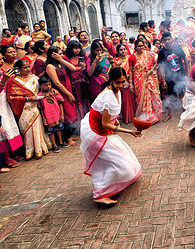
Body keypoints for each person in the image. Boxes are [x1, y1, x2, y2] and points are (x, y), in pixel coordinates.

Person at [80, 67, 142, 205]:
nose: (121, 85)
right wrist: (129, 131)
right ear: (111, 81)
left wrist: (117, 122)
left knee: (122, 159)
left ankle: (118, 182)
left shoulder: (116, 91)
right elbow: (105, 124)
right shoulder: (107, 95)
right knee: (120, 164)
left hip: (105, 131)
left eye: (123, 82)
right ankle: (100, 194)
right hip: (96, 133)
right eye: (117, 82)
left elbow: (109, 117)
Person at [7, 59, 51, 159]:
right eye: (25, 67)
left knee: (37, 127)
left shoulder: (34, 78)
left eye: (29, 67)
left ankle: (39, 149)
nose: (28, 69)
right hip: (24, 108)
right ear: (18, 69)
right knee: (27, 130)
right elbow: (11, 97)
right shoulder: (14, 81)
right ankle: (29, 150)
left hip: (35, 107)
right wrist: (27, 98)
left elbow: (41, 89)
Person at [45, 47, 78, 145]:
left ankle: (69, 135)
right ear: (53, 55)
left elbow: (73, 68)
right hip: (62, 92)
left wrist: (60, 59)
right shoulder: (50, 66)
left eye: (61, 53)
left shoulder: (60, 62)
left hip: (68, 89)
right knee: (67, 115)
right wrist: (69, 94)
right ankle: (67, 138)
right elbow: (57, 83)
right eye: (59, 53)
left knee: (72, 113)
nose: (61, 55)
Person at [129, 39, 162, 124]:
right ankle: (144, 116)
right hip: (138, 80)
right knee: (141, 98)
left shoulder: (149, 54)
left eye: (142, 46)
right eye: (139, 46)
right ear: (135, 47)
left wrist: (151, 71)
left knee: (152, 95)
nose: (141, 48)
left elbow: (157, 60)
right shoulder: (132, 57)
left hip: (148, 77)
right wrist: (130, 83)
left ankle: (152, 116)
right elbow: (130, 71)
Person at [158, 32, 188, 122]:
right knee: (170, 96)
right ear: (162, 41)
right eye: (165, 40)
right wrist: (163, 79)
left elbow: (185, 59)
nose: (167, 41)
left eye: (168, 39)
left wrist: (188, 72)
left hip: (180, 74)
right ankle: (169, 114)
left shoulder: (177, 47)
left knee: (182, 94)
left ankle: (184, 111)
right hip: (169, 77)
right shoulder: (161, 52)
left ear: (172, 39)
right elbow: (161, 66)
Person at [0, 55, 23, 168]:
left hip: (4, 102)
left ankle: (12, 153)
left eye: (1, 59)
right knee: (3, 130)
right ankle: (6, 157)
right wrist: (3, 81)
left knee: (9, 126)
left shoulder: (2, 70)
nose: (1, 61)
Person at [37, 77, 67, 153]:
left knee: (59, 129)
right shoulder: (40, 96)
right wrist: (43, 118)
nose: (48, 87)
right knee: (51, 131)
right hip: (48, 117)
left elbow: (60, 103)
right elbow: (41, 108)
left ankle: (60, 142)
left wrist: (62, 114)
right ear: (40, 86)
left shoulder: (54, 93)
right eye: (46, 85)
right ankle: (54, 145)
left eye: (49, 84)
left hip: (57, 114)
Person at [64, 40, 91, 122]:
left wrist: (84, 66)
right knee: (78, 101)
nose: (77, 50)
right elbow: (68, 69)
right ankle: (80, 121)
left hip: (84, 81)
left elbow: (87, 67)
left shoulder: (83, 56)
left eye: (78, 48)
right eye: (74, 48)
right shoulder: (65, 58)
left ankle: (89, 119)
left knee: (86, 99)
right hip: (74, 83)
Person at [113, 43, 136, 124]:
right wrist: (116, 64)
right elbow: (114, 71)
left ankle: (134, 116)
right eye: (121, 50)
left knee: (133, 98)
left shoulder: (130, 57)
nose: (123, 51)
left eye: (124, 49)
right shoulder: (116, 60)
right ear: (118, 51)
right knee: (125, 99)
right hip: (122, 82)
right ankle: (127, 117)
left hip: (132, 80)